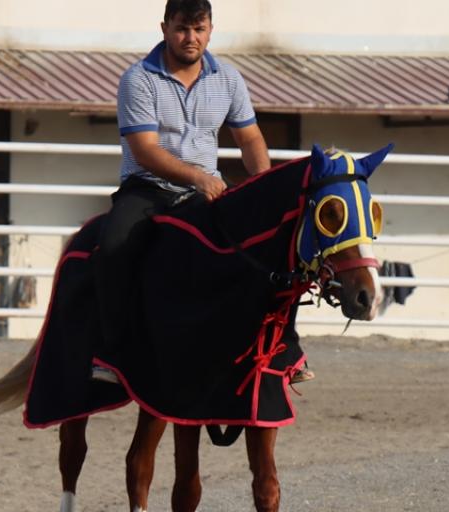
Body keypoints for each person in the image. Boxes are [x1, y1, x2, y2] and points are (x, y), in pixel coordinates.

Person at [94, 0, 319, 383]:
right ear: (165, 28)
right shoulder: (139, 79)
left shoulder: (228, 79)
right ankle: (110, 355)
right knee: (114, 244)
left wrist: (264, 184)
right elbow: (145, 151)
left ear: (211, 30)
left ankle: (285, 347)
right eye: (182, 28)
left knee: (277, 242)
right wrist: (198, 177)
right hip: (148, 190)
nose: (191, 38)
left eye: (199, 29)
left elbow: (249, 139)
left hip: (206, 193)